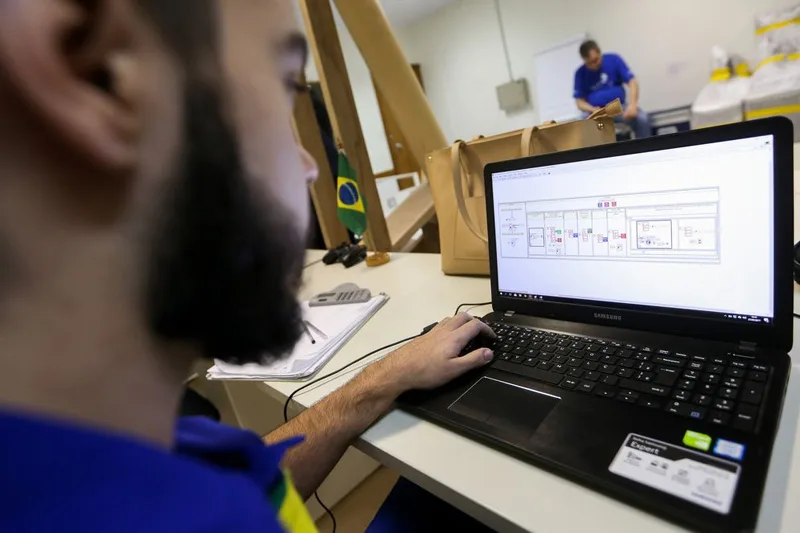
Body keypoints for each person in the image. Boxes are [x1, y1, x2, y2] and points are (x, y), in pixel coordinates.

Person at [0, 1, 495, 532]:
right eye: (284, 85)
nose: (310, 167)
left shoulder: (128, 449)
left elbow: (252, 484)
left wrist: (379, 381)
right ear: (94, 71)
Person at [574, 40, 651, 139]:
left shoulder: (614, 60)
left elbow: (632, 82)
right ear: (584, 60)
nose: (594, 64)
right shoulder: (580, 73)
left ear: (599, 53)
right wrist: (593, 110)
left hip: (619, 108)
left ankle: (644, 147)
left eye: (596, 60)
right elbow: (579, 102)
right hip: (596, 113)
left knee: (642, 119)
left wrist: (633, 105)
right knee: (581, 126)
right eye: (590, 63)